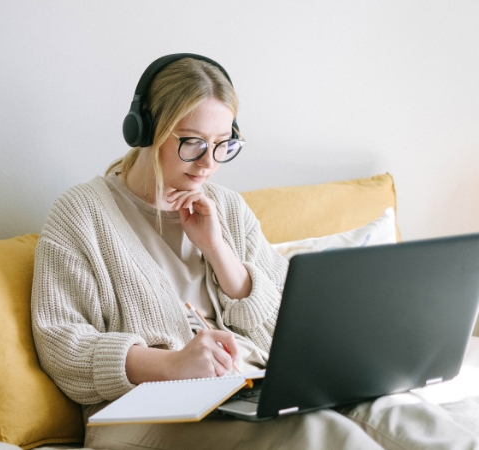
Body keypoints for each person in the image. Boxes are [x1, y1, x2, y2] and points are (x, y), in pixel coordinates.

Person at [31, 54, 479, 450]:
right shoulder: (81, 214)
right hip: (142, 413)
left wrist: (218, 250)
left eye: (222, 144)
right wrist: (173, 364)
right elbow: (62, 345)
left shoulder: (225, 206)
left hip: (249, 389)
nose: (208, 162)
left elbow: (286, 323)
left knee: (401, 416)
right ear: (146, 131)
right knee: (323, 435)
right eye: (191, 142)